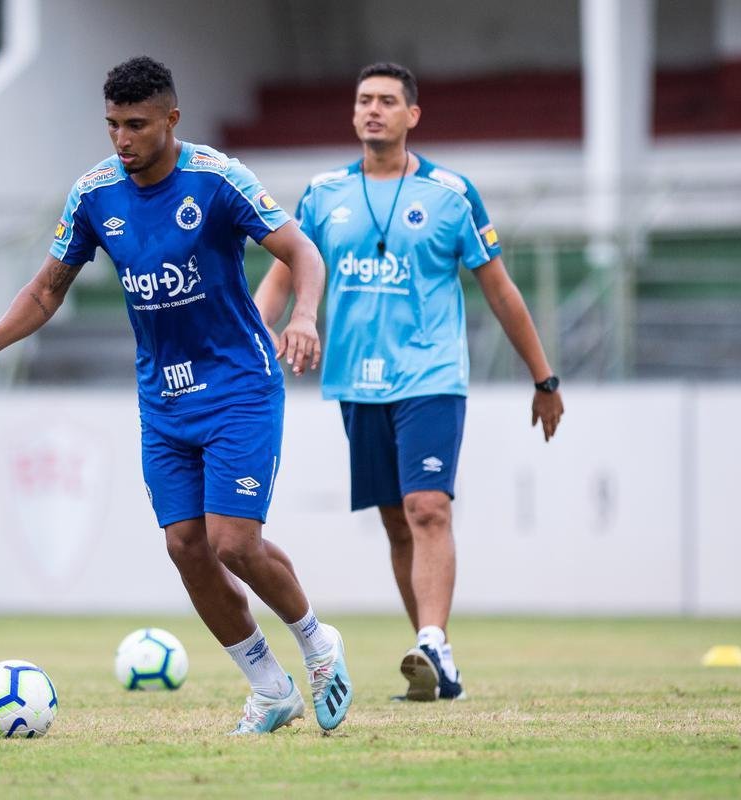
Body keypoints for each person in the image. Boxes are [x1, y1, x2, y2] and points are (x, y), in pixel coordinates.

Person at [0, 56, 353, 735]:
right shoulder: (94, 193)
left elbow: (303, 252)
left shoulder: (218, 180)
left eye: (136, 125)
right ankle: (268, 687)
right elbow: (48, 289)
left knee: (233, 543)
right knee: (185, 546)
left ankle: (318, 643)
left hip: (238, 389)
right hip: (163, 403)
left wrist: (306, 316)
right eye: (111, 125)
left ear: (171, 118)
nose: (121, 140)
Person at [255, 62, 564, 702]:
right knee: (397, 522)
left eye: (388, 101)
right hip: (355, 382)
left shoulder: (453, 194)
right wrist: (250, 344)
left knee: (429, 507)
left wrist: (544, 375)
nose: (374, 110)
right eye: (364, 99)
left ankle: (433, 641)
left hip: (431, 375)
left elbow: (500, 291)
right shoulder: (321, 195)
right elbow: (284, 276)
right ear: (353, 112)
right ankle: (437, 668)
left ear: (412, 116)